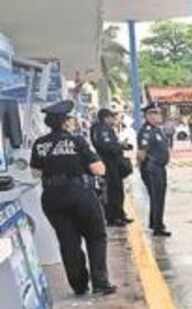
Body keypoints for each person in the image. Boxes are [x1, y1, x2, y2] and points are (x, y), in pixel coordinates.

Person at [29, 100, 116, 295]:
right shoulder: (77, 141)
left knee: (68, 240)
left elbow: (35, 173)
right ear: (65, 122)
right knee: (96, 236)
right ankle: (100, 283)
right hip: (79, 194)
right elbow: (98, 169)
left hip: (51, 197)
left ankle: (78, 284)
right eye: (70, 118)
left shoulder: (39, 144)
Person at [90, 108, 133, 226]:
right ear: (106, 118)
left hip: (113, 163)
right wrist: (120, 146)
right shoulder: (101, 129)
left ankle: (119, 214)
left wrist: (121, 145)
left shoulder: (106, 129)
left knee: (118, 189)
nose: (114, 119)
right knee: (111, 191)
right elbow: (106, 146)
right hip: (108, 163)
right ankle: (113, 217)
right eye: (112, 117)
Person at [137, 102, 172, 237]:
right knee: (157, 197)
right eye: (156, 113)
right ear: (149, 115)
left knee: (158, 197)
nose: (159, 115)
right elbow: (141, 153)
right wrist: (142, 170)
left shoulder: (157, 129)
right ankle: (158, 227)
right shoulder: (146, 131)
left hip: (160, 167)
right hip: (152, 168)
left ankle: (154, 222)